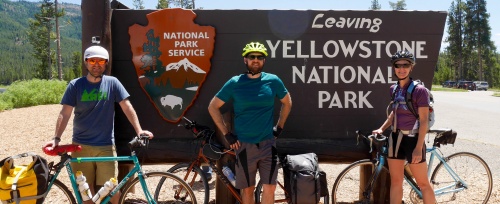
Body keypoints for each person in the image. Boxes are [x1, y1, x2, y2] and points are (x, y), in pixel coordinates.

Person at [43, 44, 154, 204]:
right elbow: (65, 113)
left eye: (101, 61)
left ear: (106, 64)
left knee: (113, 191)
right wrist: (56, 139)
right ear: (86, 62)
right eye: (92, 60)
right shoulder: (75, 85)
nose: (96, 64)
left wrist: (139, 130)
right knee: (86, 194)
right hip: (80, 147)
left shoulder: (112, 83)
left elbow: (126, 106)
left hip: (105, 147)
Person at [208, 42, 292, 204]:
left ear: (264, 61)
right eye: (251, 57)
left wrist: (280, 126)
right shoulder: (235, 82)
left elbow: (287, 102)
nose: (256, 60)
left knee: (270, 187)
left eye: (259, 57)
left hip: (268, 144)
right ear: (245, 60)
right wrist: (227, 134)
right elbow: (213, 107)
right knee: (247, 189)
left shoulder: (273, 81)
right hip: (244, 146)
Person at [372, 50, 436, 204]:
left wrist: (418, 147)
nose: (401, 69)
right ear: (394, 68)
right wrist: (381, 128)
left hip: (413, 139)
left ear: (411, 67)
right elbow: (394, 114)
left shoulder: (419, 91)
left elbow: (424, 120)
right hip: (395, 138)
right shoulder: (393, 89)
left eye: (405, 65)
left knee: (423, 184)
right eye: (398, 65)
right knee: (395, 182)